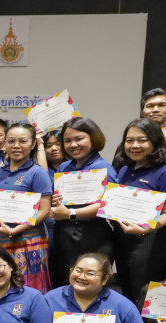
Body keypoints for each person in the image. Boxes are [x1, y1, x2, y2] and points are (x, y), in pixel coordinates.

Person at [111, 118, 166, 303]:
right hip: (123, 238)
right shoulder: (124, 170)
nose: (135, 145)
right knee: (126, 287)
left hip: (151, 241)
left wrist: (147, 227)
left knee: (145, 292)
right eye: (129, 140)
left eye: (142, 140)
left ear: (155, 142)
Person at [49, 117, 119, 289]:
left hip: (92, 237)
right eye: (67, 140)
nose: (73, 145)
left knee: (89, 287)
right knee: (64, 285)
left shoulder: (103, 168)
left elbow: (108, 205)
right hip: (63, 236)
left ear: (93, 138)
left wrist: (71, 213)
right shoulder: (64, 167)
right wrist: (55, 201)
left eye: (79, 139)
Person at [0, 122, 53, 293]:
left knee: (26, 287)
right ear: (5, 144)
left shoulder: (38, 173)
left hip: (26, 238)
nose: (16, 146)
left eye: (23, 141)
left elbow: (44, 210)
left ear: (32, 144)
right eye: (11, 141)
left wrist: (14, 230)